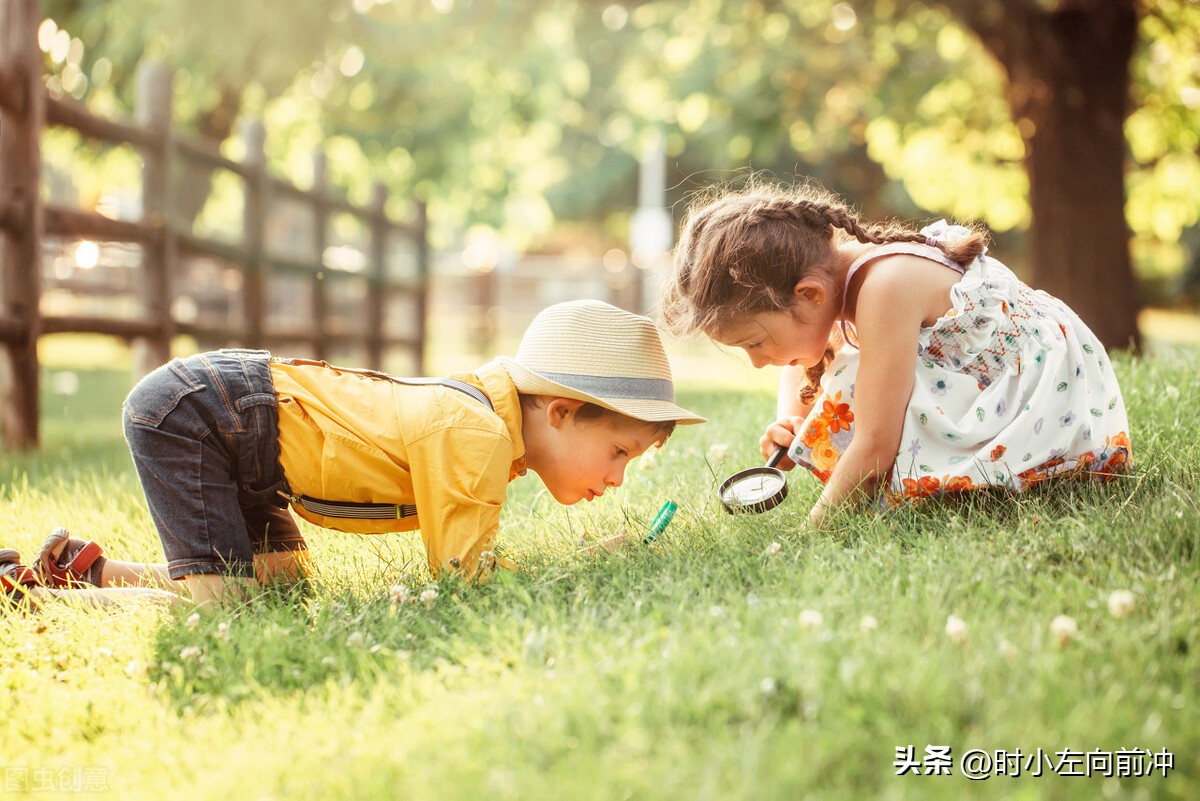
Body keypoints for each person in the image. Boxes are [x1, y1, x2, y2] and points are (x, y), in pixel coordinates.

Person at [2, 299, 704, 609]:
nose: (616, 478)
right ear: (558, 411)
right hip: (208, 412)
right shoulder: (477, 433)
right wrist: (585, 565)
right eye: (618, 451)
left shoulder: (491, 428)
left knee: (280, 584)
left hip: (244, 426)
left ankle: (86, 573)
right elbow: (464, 577)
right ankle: (34, 597)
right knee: (225, 608)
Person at [661, 179, 1131, 526]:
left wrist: (812, 532)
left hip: (1047, 405)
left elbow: (874, 443)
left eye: (755, 343)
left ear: (808, 295)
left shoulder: (886, 288)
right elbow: (807, 361)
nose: (758, 362)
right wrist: (792, 420)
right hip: (1008, 386)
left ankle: (985, 478)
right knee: (848, 375)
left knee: (855, 387)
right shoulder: (840, 279)